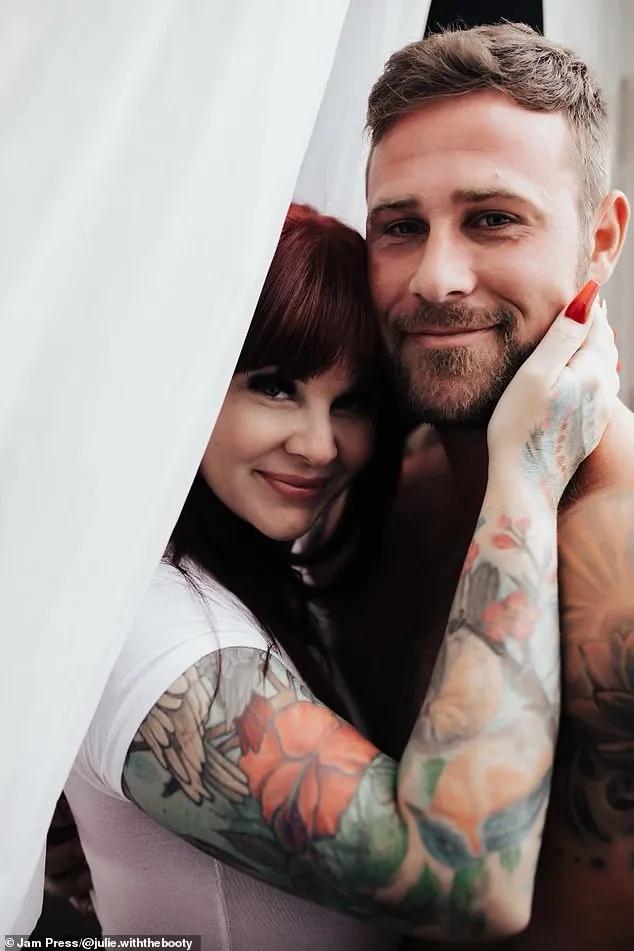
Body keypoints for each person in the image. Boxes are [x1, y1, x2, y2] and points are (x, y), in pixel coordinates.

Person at [51, 197, 616, 949]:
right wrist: (526, 472)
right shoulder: (156, 630)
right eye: (275, 386)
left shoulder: (273, 576)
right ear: (189, 379)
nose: (319, 447)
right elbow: (467, 881)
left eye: (351, 402)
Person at [336, 21, 633, 951]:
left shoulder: (622, 556)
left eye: (493, 218)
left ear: (601, 239)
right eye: (401, 227)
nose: (436, 278)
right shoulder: (383, 478)